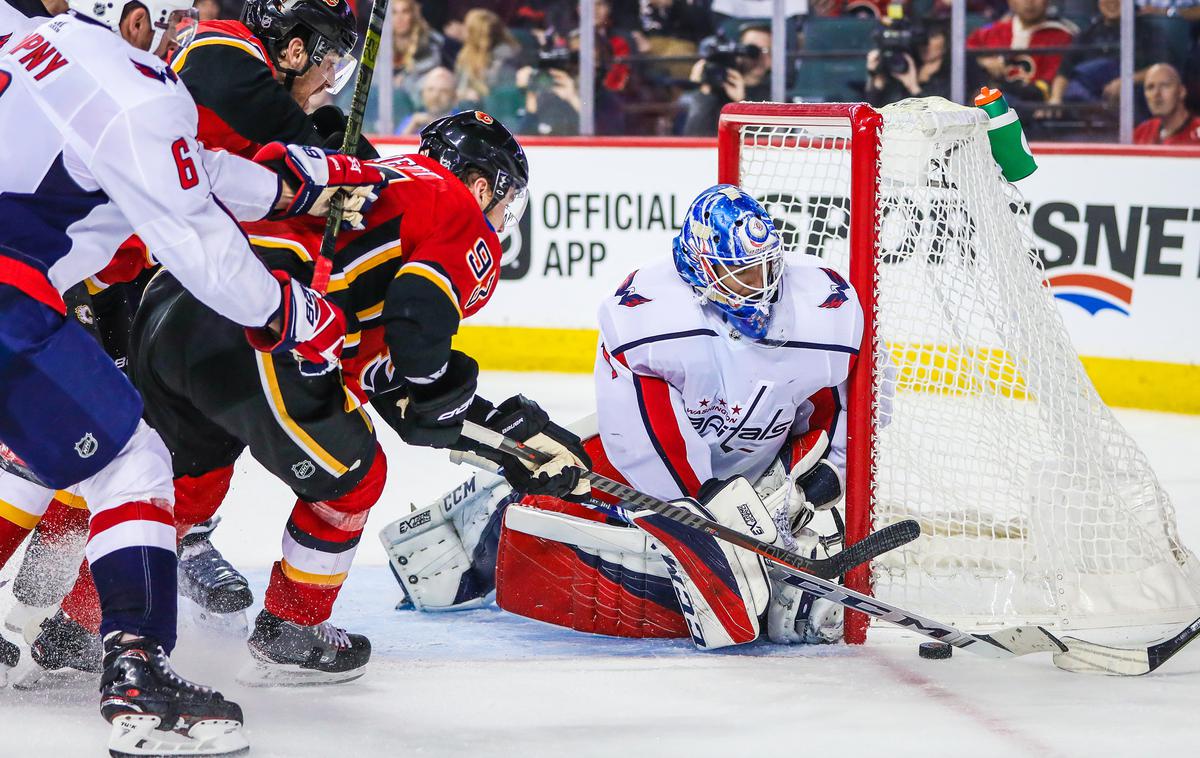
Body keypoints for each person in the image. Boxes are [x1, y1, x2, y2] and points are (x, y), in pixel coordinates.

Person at [0, 0, 381, 752]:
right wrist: (288, 312)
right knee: (132, 461)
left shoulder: (31, 42)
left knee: (34, 455)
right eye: (170, 24)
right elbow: (198, 244)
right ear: (136, 23)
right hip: (12, 289)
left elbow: (194, 168)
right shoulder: (136, 87)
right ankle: (139, 677)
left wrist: (292, 187)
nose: (183, 40)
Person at [122, 111, 587, 686]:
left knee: (182, 488)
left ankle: (75, 630)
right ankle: (293, 628)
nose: (499, 215)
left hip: (171, 302)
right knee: (355, 476)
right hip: (261, 319)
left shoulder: (376, 177)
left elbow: (387, 384)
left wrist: (485, 431)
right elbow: (420, 318)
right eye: (503, 196)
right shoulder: (460, 210)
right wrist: (438, 392)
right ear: (481, 183)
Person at [382, 185, 861, 651]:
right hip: (673, 467)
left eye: (763, 269)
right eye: (739, 275)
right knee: (580, 503)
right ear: (698, 272)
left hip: (762, 470)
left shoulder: (827, 309)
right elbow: (637, 433)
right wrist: (689, 503)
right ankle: (481, 534)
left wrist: (828, 473)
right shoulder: (650, 315)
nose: (757, 288)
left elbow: (853, 396)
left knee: (720, 588)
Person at [168, 0, 359, 161]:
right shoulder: (222, 49)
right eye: (330, 64)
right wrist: (324, 155)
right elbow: (227, 75)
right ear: (296, 52)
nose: (331, 81)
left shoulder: (251, 119)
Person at [967, 0, 1077, 103]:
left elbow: (1048, 86)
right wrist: (983, 61)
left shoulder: (1061, 36)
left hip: (1030, 106)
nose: (1029, 2)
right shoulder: (992, 32)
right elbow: (962, 56)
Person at [681, 23, 772, 136]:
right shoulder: (715, 89)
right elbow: (693, 138)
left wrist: (742, 103)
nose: (758, 57)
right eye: (751, 49)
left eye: (765, 50)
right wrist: (704, 92)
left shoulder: (774, 95)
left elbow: (765, 144)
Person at [864, 20, 950, 106]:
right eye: (921, 37)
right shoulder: (898, 67)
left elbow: (937, 115)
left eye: (933, 36)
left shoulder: (951, 78)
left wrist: (913, 87)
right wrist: (875, 78)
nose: (925, 43)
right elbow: (873, 112)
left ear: (946, 42)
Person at [454, 7, 521, 106]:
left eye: (466, 27)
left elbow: (495, 91)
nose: (463, 29)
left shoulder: (505, 56)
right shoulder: (467, 53)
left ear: (476, 33)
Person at [1133, 62, 1200, 143]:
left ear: (1182, 91)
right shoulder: (1142, 133)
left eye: (1165, 85)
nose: (1156, 94)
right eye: (1150, 87)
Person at [397, 65, 457, 135]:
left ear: (454, 97)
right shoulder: (411, 121)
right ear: (422, 94)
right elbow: (395, 144)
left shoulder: (461, 122)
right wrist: (411, 127)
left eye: (443, 91)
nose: (435, 96)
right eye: (430, 90)